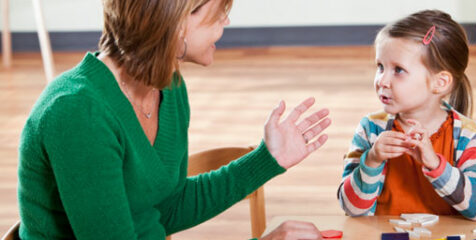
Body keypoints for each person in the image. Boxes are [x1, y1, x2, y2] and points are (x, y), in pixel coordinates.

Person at [17, 0, 330, 239]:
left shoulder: (170, 87)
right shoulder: (77, 113)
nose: (227, 20)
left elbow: (166, 207)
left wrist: (266, 159)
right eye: (218, 13)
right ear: (178, 20)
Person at [337, 10, 476, 221]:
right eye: (380, 67)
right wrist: (371, 160)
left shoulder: (467, 133)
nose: (382, 81)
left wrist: (437, 166)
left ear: (440, 82)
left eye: (398, 70)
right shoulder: (370, 129)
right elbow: (350, 208)